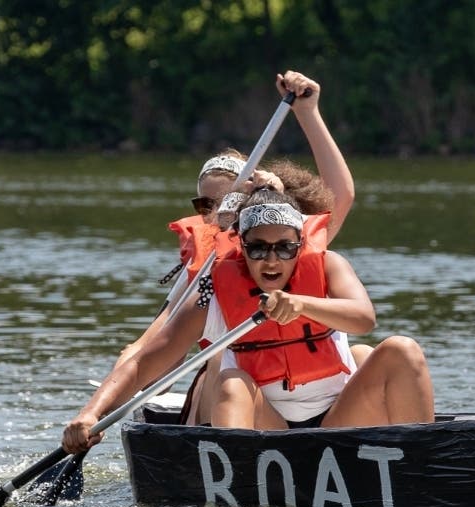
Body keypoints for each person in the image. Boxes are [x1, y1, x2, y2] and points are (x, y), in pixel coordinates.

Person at [62, 190, 434, 453]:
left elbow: (364, 318)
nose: (271, 261)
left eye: (284, 247)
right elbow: (144, 362)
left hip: (339, 421)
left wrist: (301, 304)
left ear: (300, 245)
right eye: (258, 248)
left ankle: (426, 465)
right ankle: (238, 505)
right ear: (242, 247)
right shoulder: (213, 291)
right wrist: (90, 414)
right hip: (268, 431)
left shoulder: (328, 266)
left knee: (400, 349)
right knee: (232, 381)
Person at [114, 70, 358, 422]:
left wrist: (308, 112)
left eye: (230, 201)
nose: (217, 216)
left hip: (298, 400)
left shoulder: (287, 245)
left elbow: (341, 196)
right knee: (220, 356)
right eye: (206, 205)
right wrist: (125, 374)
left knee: (364, 355)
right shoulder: (206, 270)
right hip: (232, 394)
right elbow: (149, 348)